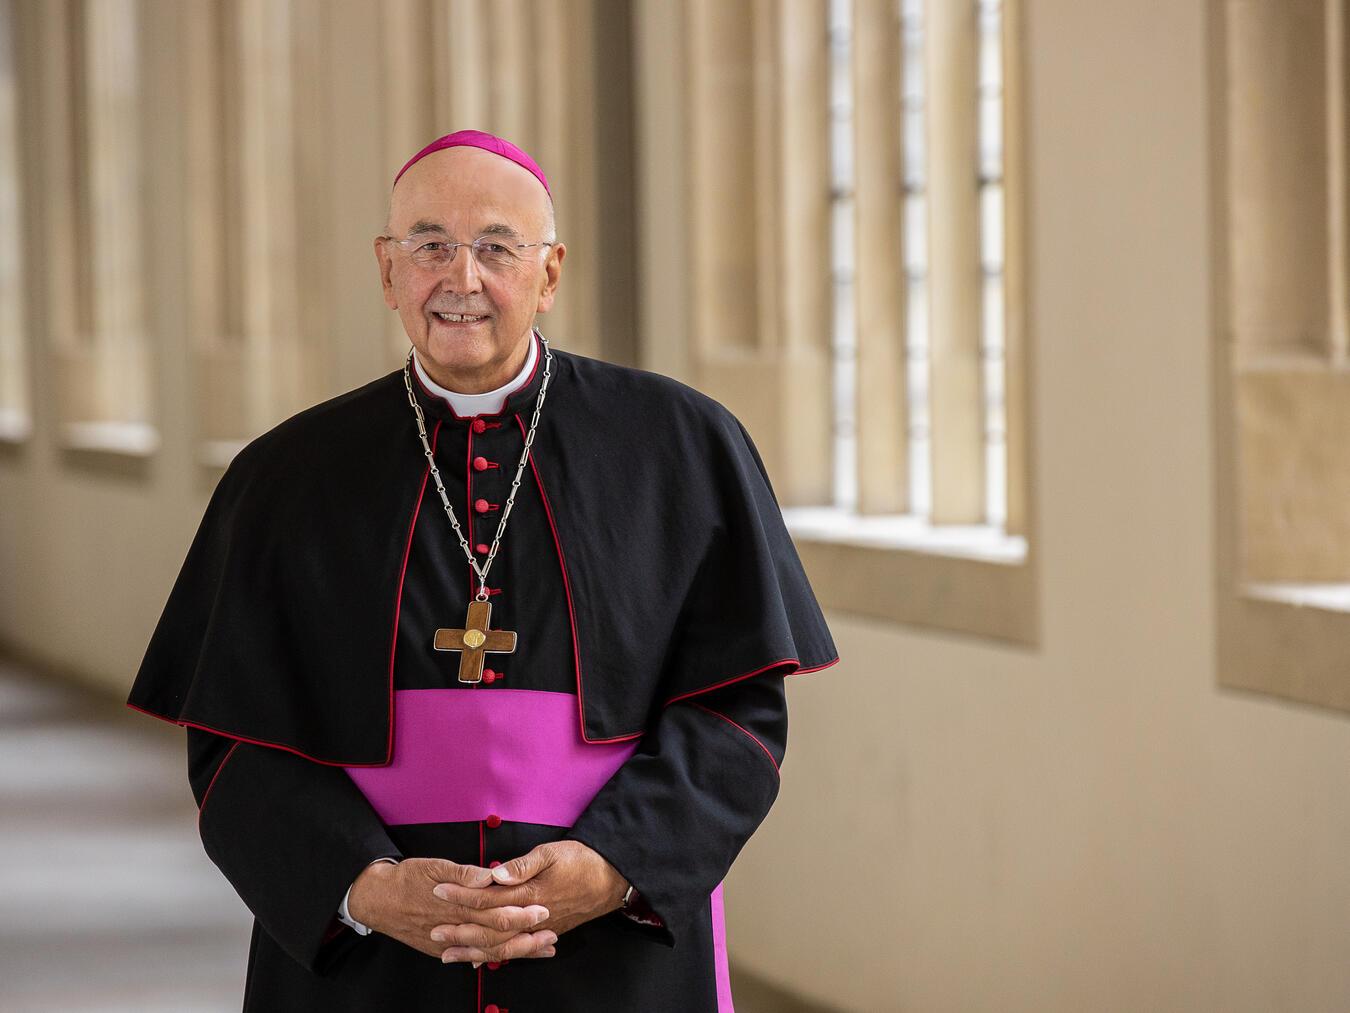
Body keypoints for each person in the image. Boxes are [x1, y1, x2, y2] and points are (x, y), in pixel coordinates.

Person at [126, 128, 838, 1012]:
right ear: (387, 271)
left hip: (614, 948)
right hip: (369, 965)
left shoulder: (683, 448)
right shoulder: (284, 477)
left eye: (497, 247)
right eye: (429, 246)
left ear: (550, 273)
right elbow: (234, 745)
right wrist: (363, 886)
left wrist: (616, 866)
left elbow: (739, 714)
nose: (461, 279)